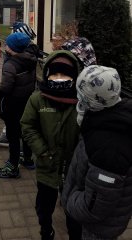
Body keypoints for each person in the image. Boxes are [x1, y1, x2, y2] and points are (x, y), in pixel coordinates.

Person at [62, 65, 132, 240]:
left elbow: (93, 208)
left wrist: (69, 199)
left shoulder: (110, 147)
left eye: (80, 94)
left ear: (90, 100)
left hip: (97, 228)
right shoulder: (106, 118)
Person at [21, 50, 82, 240]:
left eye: (64, 74)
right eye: (55, 74)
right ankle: (46, 229)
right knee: (44, 204)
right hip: (47, 166)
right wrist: (42, 151)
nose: (59, 78)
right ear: (47, 74)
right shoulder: (38, 99)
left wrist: (80, 158)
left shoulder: (82, 101)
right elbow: (28, 126)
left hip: (73, 169)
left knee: (73, 209)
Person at [0, 32, 37, 179]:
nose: (5, 45)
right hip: (26, 102)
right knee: (25, 132)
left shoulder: (10, 64)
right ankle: (28, 160)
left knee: (13, 136)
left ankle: (12, 166)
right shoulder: (31, 60)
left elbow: (5, 87)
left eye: (7, 44)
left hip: (12, 105)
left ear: (12, 48)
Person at [0, 22, 39, 146]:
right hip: (22, 94)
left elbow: (9, 84)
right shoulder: (26, 54)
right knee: (18, 119)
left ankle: (10, 141)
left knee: (13, 121)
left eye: (14, 32)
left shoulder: (18, 57)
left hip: (13, 96)